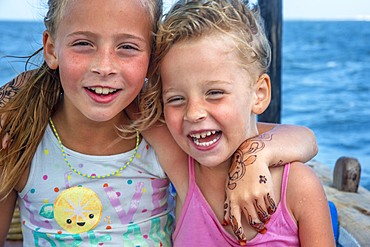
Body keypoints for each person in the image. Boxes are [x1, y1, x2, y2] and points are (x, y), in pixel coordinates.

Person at [0, 0, 318, 246]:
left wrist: (257, 155)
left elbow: (300, 137)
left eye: (127, 47)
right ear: (52, 48)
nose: (104, 66)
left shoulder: (162, 133)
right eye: (83, 43)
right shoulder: (18, 139)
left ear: (151, 60)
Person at [138, 0, 335, 245]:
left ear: (259, 94)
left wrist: (256, 154)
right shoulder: (183, 171)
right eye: (176, 99)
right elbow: (123, 89)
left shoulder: (298, 187)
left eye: (215, 93)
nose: (193, 113)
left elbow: (308, 139)